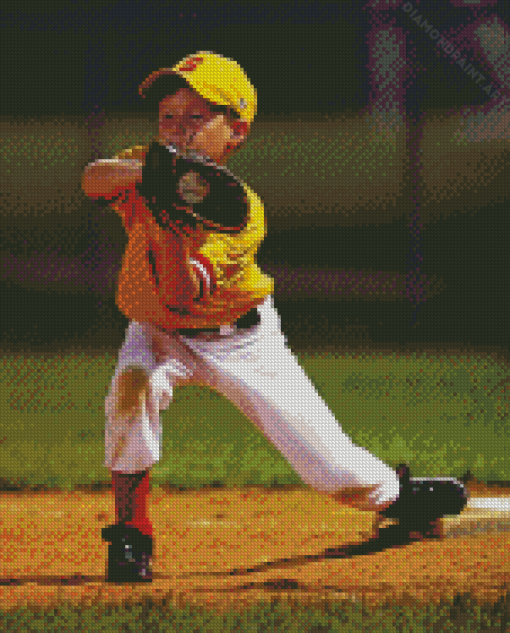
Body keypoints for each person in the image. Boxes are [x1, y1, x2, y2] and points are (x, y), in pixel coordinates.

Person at [82, 51, 403, 583]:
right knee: (131, 388)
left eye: (196, 117)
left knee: (338, 475)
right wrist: (151, 173)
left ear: (236, 132)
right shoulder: (146, 166)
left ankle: (405, 497)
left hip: (240, 341)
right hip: (156, 332)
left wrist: (168, 233)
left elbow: (183, 295)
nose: (178, 130)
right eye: (168, 116)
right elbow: (93, 180)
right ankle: (132, 534)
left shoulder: (239, 210)